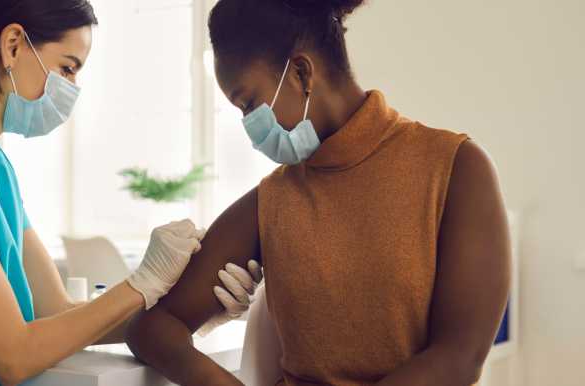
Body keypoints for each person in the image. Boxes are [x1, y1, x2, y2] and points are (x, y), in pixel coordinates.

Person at [0, 1, 262, 385]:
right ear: (14, 46)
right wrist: (142, 283)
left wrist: (189, 312)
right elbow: (12, 355)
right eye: (68, 68)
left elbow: (52, 310)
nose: (72, 88)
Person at [124, 0, 512, 385]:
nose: (248, 126)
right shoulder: (273, 199)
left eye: (249, 104)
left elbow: (459, 357)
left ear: (300, 72)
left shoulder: (457, 168)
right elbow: (153, 327)